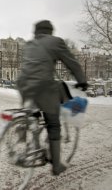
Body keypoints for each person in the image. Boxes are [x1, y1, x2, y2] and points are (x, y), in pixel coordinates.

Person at [17, 20, 88, 176]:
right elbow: (72, 62)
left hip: (24, 86)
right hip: (43, 86)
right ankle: (56, 165)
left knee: (33, 115)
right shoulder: (55, 42)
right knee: (53, 124)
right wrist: (82, 80)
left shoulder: (29, 44)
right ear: (50, 32)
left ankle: (26, 132)